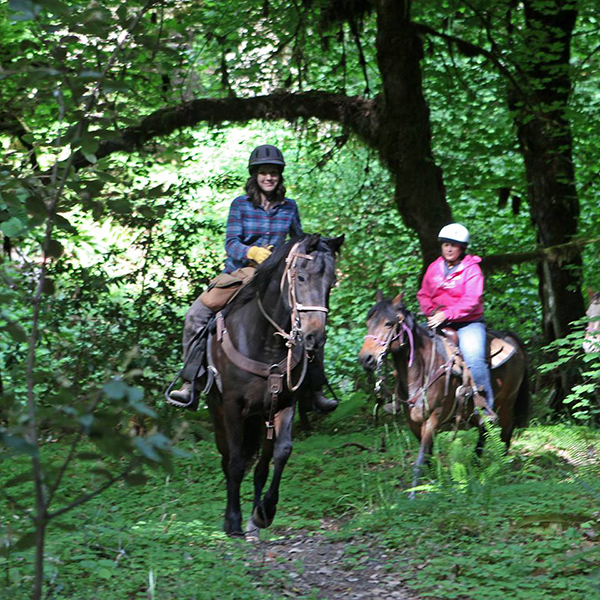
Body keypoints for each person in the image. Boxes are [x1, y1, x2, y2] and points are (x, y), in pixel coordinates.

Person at [168, 144, 338, 413]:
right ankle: (191, 383)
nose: (269, 177)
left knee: (310, 318)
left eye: (273, 172)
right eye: (263, 173)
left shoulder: (289, 207)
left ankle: (314, 389)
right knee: (196, 315)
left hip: (277, 277)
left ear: (279, 176)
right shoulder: (240, 205)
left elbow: (297, 240)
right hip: (242, 273)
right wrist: (253, 252)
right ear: (255, 175)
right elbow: (231, 243)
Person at [416, 223, 495, 416]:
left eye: (454, 245)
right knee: (411, 346)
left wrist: (447, 313)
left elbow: (472, 299)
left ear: (462, 248)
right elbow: (423, 294)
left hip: (468, 323)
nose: (449, 248)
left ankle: (484, 407)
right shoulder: (434, 268)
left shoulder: (472, 269)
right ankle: (403, 397)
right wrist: (432, 312)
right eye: (446, 244)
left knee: (474, 357)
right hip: (438, 321)